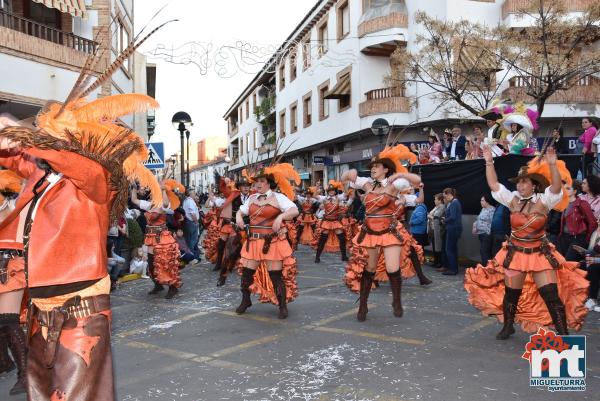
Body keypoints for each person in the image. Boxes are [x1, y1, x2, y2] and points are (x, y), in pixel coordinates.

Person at [0, 90, 162, 401]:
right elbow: (12, 156)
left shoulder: (97, 178)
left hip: (81, 303)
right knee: (42, 389)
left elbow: (71, 163)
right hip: (40, 302)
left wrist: (27, 138)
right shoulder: (43, 177)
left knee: (77, 392)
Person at [465, 145, 589, 339]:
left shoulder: (544, 200)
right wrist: (489, 161)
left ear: (534, 184)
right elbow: (494, 185)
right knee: (511, 293)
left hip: (540, 254)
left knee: (550, 294)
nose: (520, 186)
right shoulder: (513, 199)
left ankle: (564, 334)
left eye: (524, 182)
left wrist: (552, 164)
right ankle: (508, 326)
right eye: (518, 183)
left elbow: (556, 187)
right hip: (516, 254)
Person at [341, 144, 422, 321]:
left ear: (386, 169)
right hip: (369, 232)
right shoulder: (367, 184)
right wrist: (350, 173)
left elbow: (416, 181)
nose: (373, 169)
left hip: (389, 232)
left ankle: (397, 300)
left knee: (393, 269)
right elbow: (343, 180)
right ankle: (363, 305)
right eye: (372, 167)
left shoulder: (394, 185)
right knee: (369, 270)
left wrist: (402, 174)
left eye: (376, 166)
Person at [235, 162, 300, 319]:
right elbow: (241, 210)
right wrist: (238, 217)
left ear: (269, 183)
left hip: (272, 242)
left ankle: (282, 306)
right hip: (253, 242)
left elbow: (294, 210)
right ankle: (246, 300)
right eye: (256, 181)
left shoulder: (279, 198)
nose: (258, 184)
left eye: (262, 181)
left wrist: (281, 216)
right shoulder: (251, 198)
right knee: (246, 274)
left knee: (275, 276)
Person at [131, 181, 182, 299]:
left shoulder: (163, 205)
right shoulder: (148, 205)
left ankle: (173, 287)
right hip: (150, 238)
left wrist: (163, 189)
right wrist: (134, 188)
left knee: (165, 263)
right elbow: (134, 200)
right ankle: (158, 285)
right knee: (151, 263)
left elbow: (165, 203)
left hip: (162, 238)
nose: (151, 194)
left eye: (154, 193)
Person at [0, 170, 27, 395]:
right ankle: (4, 362)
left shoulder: (15, 203)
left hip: (10, 264)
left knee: (8, 319)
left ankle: (26, 374)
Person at [558, 180, 597, 261]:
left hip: (578, 238)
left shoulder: (582, 203)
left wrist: (587, 238)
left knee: (569, 261)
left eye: (568, 188)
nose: (565, 191)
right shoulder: (563, 203)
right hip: (564, 237)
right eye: (564, 189)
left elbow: (592, 222)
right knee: (562, 262)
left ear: (575, 191)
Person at [313, 180, 348, 263]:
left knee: (342, 238)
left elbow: (346, 194)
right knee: (322, 239)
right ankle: (317, 257)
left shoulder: (338, 198)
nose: (331, 192)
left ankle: (344, 256)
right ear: (328, 192)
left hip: (335, 221)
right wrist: (317, 186)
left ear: (335, 191)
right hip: (327, 222)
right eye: (330, 191)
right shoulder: (324, 198)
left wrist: (344, 185)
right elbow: (314, 195)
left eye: (333, 190)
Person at [439, 188, 462, 275]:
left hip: (453, 229)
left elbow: (452, 217)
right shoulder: (455, 203)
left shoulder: (454, 203)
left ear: (449, 194)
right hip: (454, 228)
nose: (445, 198)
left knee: (449, 249)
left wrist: (445, 220)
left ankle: (452, 269)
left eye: (445, 196)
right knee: (453, 249)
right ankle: (453, 268)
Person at [473, 195, 495, 265]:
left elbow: (492, 222)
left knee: (484, 251)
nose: (480, 202)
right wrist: (474, 226)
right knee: (483, 251)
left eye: (482, 200)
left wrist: (487, 232)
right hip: (481, 234)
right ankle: (485, 269)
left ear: (487, 201)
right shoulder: (483, 209)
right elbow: (478, 219)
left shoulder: (492, 210)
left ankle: (487, 270)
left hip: (487, 234)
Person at [428, 193, 445, 268]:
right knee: (434, 246)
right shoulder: (436, 207)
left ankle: (439, 262)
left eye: (435, 199)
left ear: (440, 200)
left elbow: (436, 217)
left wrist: (430, 216)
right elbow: (430, 215)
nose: (434, 200)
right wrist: (431, 216)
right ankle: (436, 261)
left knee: (438, 246)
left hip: (438, 229)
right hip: (432, 228)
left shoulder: (442, 207)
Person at [182, 188, 200, 259]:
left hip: (188, 222)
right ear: (190, 194)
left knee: (189, 240)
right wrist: (196, 222)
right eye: (193, 193)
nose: (195, 194)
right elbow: (192, 213)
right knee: (193, 240)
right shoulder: (190, 201)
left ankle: (190, 255)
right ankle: (192, 256)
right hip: (191, 222)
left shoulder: (186, 201)